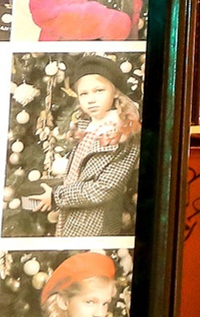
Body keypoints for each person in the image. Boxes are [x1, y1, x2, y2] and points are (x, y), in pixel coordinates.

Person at [22, 58, 140, 237]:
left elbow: (104, 188)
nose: (91, 100)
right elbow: (80, 175)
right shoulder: (87, 127)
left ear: (115, 92)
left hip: (95, 225)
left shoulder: (124, 133)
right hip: (71, 218)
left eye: (99, 91)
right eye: (83, 94)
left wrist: (56, 197)